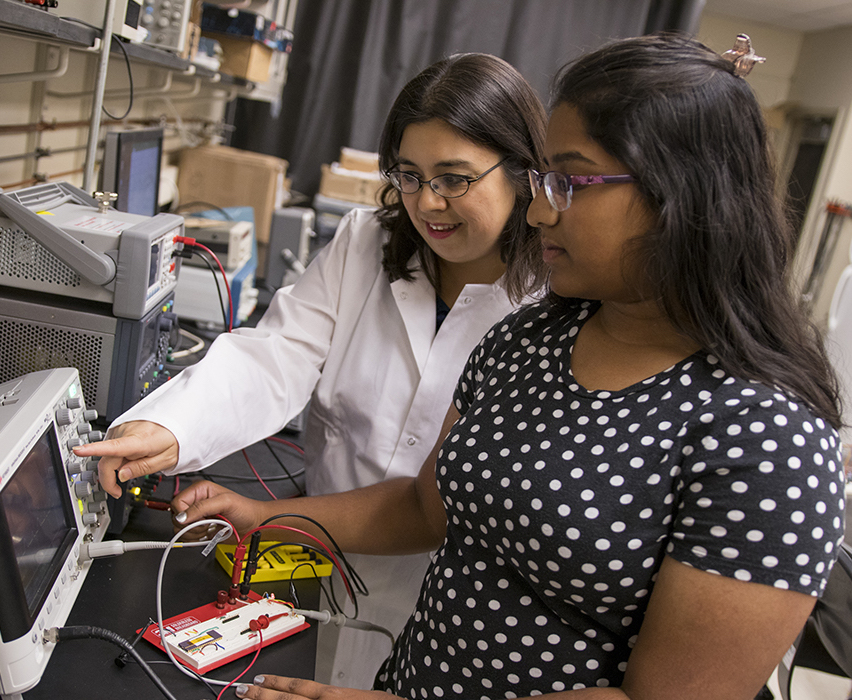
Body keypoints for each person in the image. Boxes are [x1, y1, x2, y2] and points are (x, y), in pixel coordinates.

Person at [167, 33, 847, 700]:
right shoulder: (530, 341)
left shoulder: (768, 439)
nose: (541, 206)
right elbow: (420, 506)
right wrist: (263, 518)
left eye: (571, 182)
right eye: (544, 178)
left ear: (681, 197)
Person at [74, 53, 548, 689]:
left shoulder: (553, 301)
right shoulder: (366, 244)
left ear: (521, 171)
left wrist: (258, 515)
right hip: (324, 564)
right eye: (408, 175)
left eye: (455, 178)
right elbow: (277, 356)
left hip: (454, 606)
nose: (427, 202)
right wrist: (170, 427)